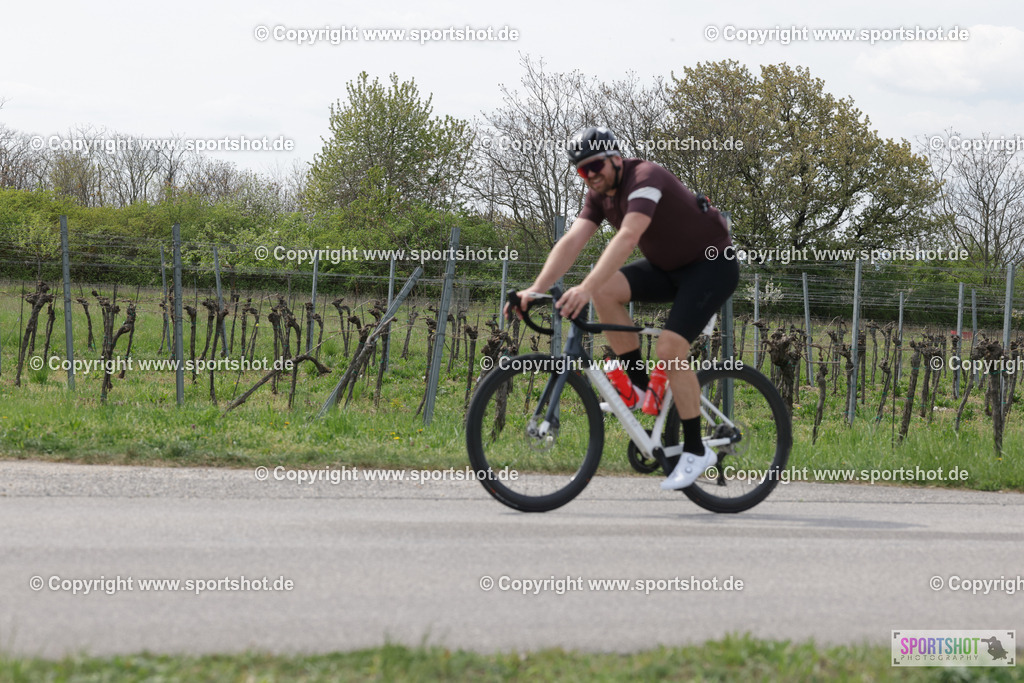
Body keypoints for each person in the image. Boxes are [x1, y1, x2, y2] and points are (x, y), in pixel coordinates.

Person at [509, 126, 739, 490]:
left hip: (712, 266)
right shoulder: (598, 196)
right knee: (606, 292)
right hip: (669, 268)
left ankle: (696, 450)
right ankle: (643, 387)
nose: (590, 175)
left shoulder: (645, 177)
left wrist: (584, 288)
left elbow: (629, 236)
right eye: (582, 170)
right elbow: (572, 240)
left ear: (616, 158)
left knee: (669, 348)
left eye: (595, 166)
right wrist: (535, 290)